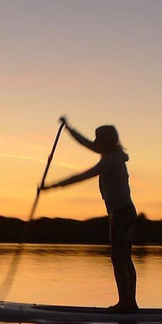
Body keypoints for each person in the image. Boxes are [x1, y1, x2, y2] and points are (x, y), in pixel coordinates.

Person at [40, 117, 138, 311]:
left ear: (105, 141)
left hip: (121, 214)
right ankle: (129, 303)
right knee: (123, 258)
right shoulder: (112, 155)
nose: (95, 143)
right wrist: (69, 129)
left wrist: (53, 186)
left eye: (98, 140)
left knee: (120, 259)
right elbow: (85, 142)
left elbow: (82, 176)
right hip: (123, 213)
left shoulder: (110, 161)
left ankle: (126, 304)